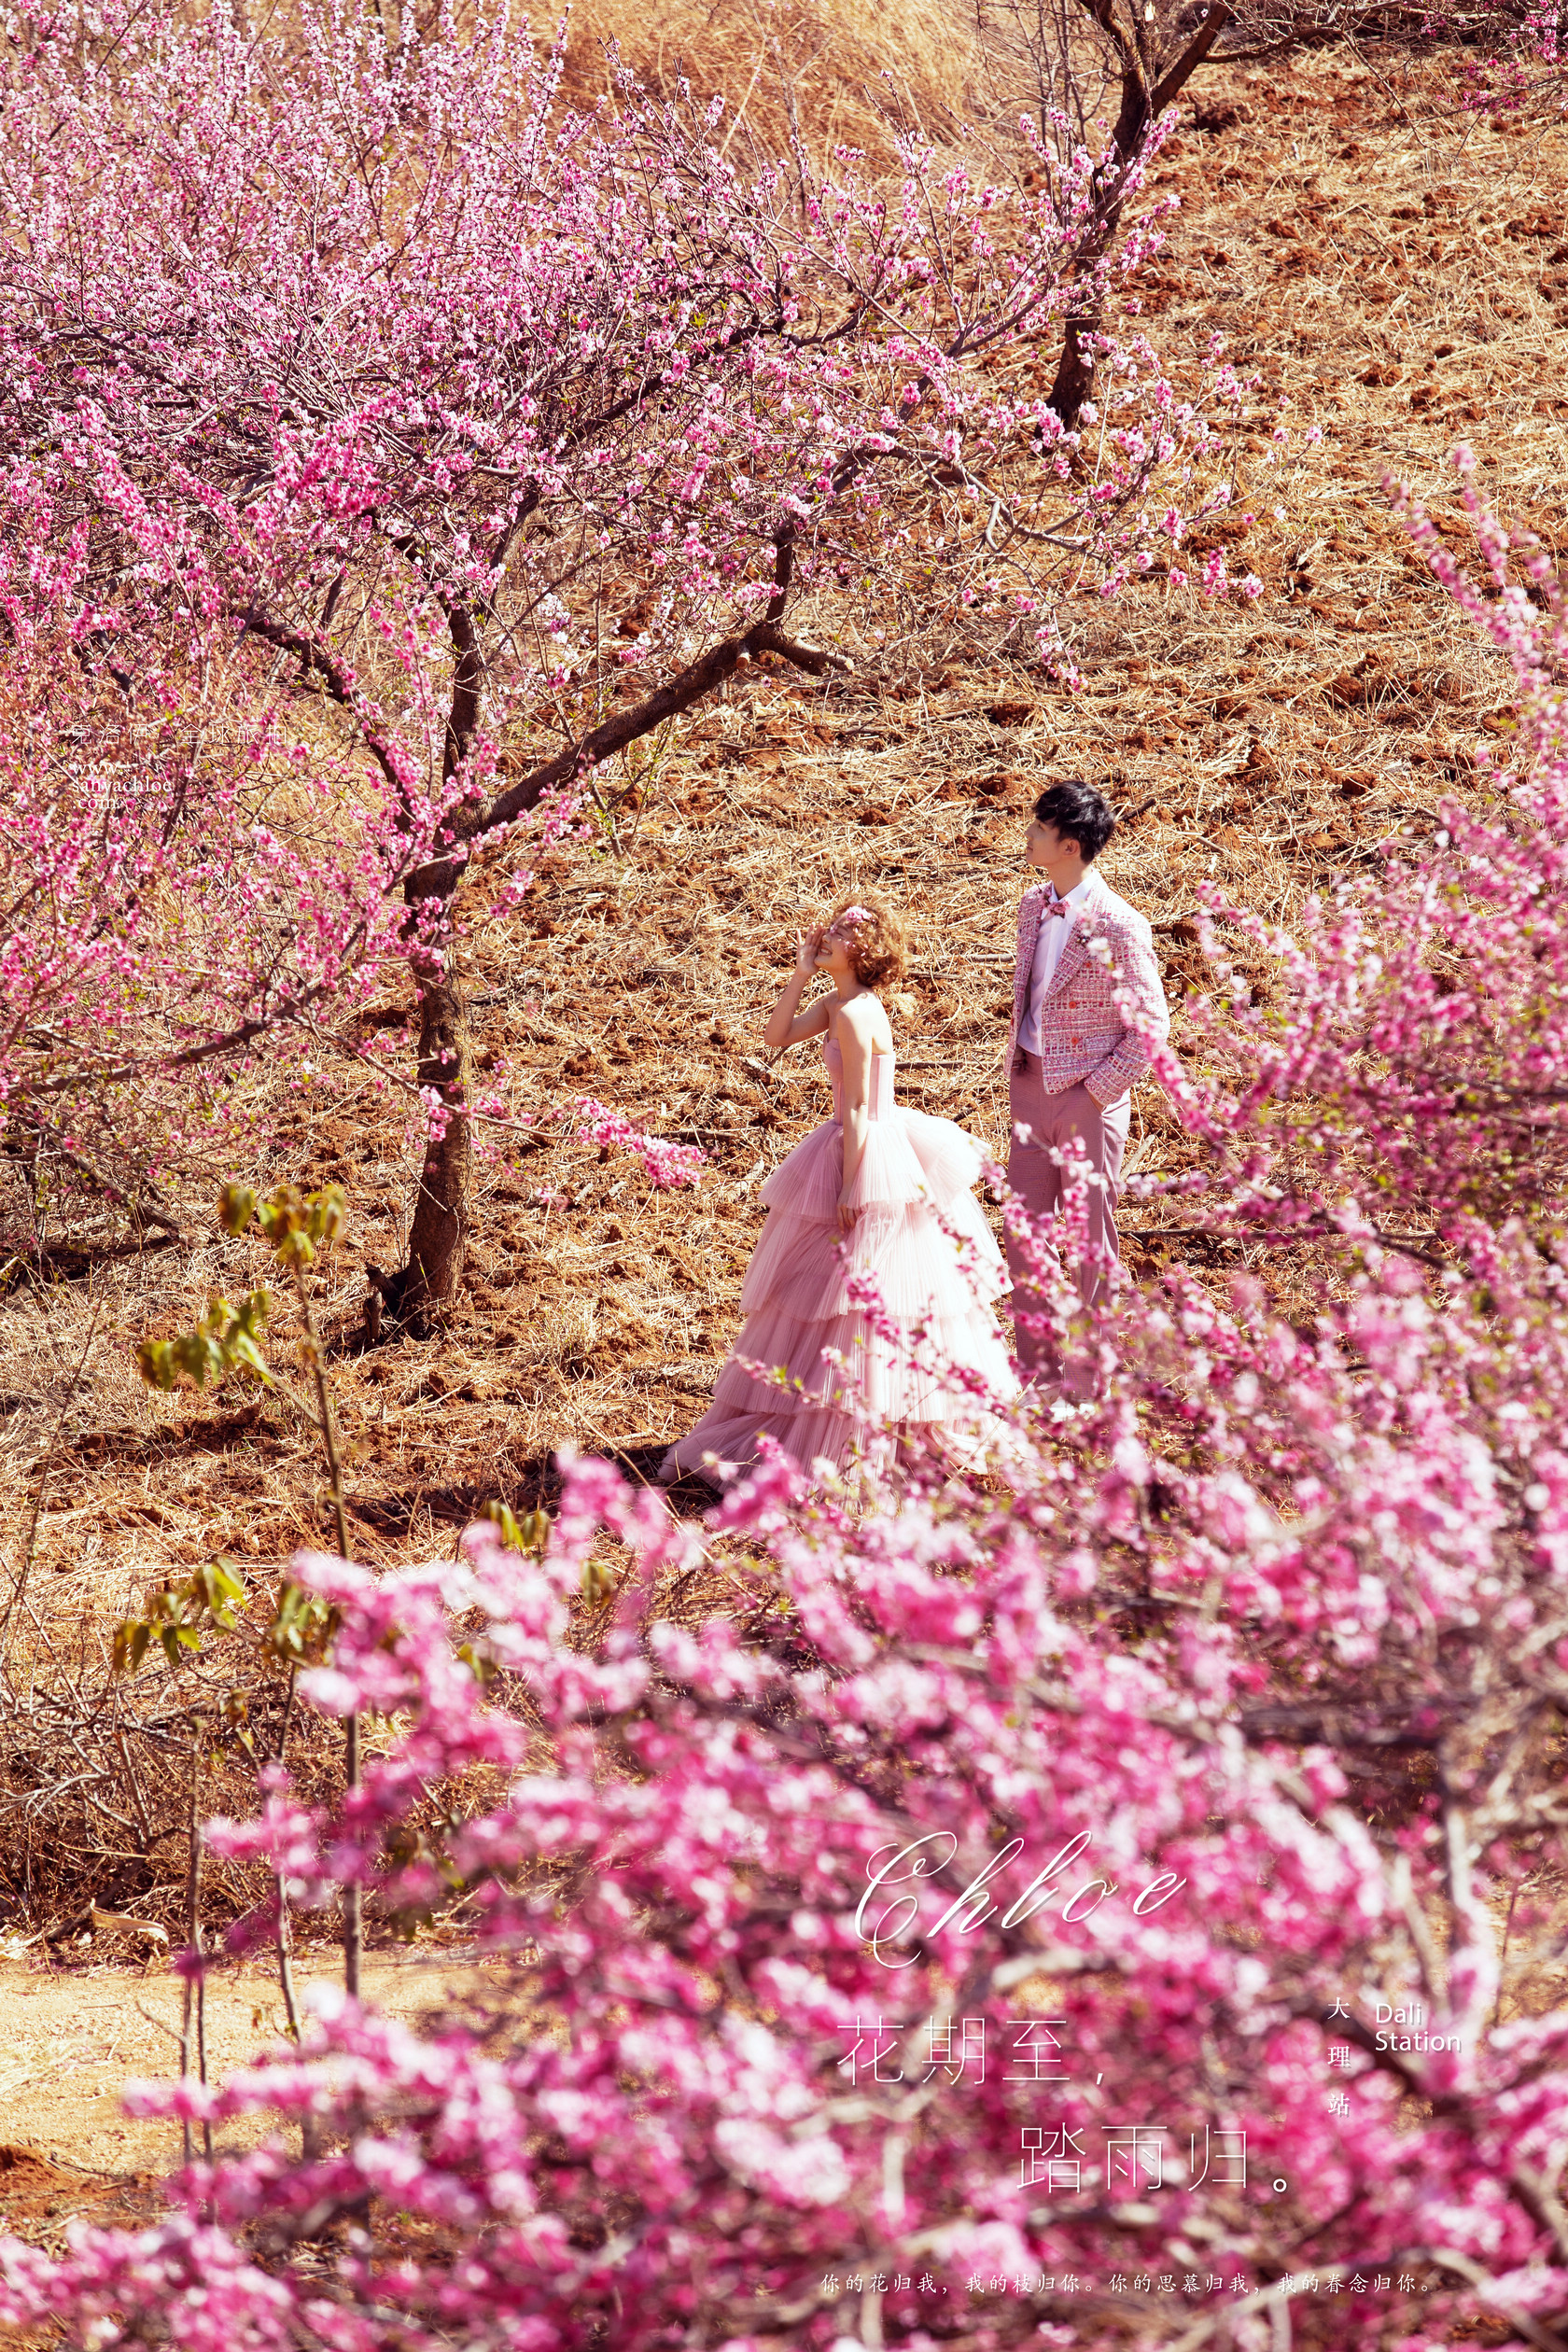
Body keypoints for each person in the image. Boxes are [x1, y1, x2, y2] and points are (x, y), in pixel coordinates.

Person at [661, 897, 1019, 1489]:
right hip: (854, 1137)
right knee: (840, 1291)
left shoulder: (855, 1015)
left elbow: (856, 1106)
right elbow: (776, 1038)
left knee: (860, 1290)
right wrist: (801, 971)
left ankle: (864, 1424)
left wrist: (856, 1182)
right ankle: (853, 1410)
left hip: (867, 1143)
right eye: (827, 930)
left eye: (839, 934)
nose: (825, 937)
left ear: (863, 950)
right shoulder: (840, 1004)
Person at [1005, 778, 1169, 1365]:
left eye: (1039, 829)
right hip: (1030, 1088)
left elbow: (1151, 1024)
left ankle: (1088, 1379)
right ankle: (1037, 1368)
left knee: (1087, 1241)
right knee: (1022, 1234)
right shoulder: (1032, 905)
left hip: (1086, 1099)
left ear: (1069, 845)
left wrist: (1096, 1093)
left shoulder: (1120, 923)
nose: (1027, 836)